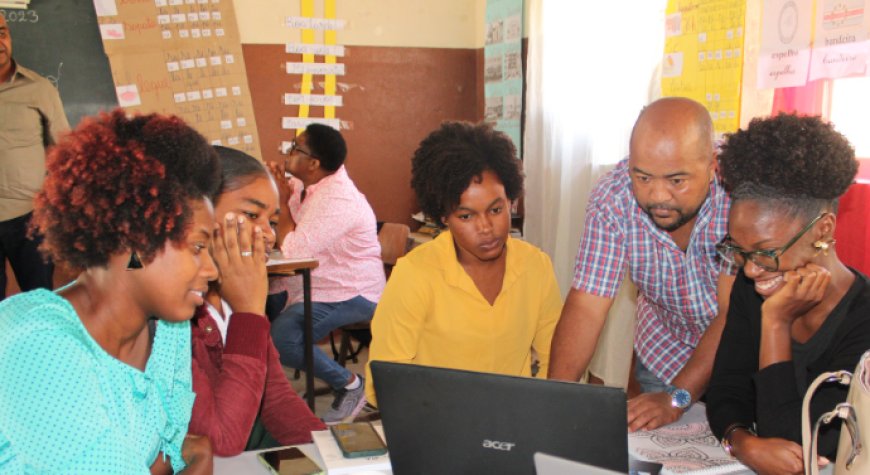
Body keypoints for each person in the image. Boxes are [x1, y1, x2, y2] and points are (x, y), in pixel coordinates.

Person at [0, 110, 216, 473]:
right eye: (198, 247)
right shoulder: (36, 346)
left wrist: (194, 454)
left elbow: (175, 449)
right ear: (135, 242)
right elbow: (180, 458)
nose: (212, 270)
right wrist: (191, 456)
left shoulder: (169, 328)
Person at [548, 97, 736, 431]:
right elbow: (587, 306)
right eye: (643, 177)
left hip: (738, 355)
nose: (658, 196)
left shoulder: (738, 194)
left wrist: (677, 398)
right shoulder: (613, 197)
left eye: (677, 181)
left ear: (712, 165)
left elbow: (731, 315)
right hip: (665, 353)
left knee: (738, 451)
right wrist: (556, 400)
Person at [707, 114, 869, 475]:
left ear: (823, 230)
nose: (750, 270)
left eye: (766, 252)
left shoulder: (863, 317)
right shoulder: (754, 288)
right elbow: (725, 391)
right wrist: (742, 442)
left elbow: (809, 441)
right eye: (739, 251)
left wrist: (776, 322)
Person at [364, 121, 562, 406]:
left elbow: (554, 360)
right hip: (437, 424)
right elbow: (386, 382)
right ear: (443, 216)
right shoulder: (416, 274)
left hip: (514, 422)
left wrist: (538, 412)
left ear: (511, 201)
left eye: (496, 209)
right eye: (466, 216)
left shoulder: (536, 267)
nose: (486, 227)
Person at [188, 146, 326, 456]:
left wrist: (333, 451)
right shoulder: (172, 313)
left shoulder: (233, 292)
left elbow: (274, 395)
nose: (268, 235)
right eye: (251, 215)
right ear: (197, 213)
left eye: (273, 222)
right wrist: (249, 311)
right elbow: (218, 443)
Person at [268, 124, 385, 423]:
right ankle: (265, 392)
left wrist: (281, 203)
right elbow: (284, 227)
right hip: (314, 283)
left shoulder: (337, 199)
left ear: (313, 164)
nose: (288, 152)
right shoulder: (305, 186)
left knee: (284, 338)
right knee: (254, 307)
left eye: (295, 148)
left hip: (351, 291)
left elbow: (293, 250)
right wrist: (277, 194)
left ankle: (349, 385)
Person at [0, 15, 69, 300]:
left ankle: (45, 343)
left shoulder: (39, 89)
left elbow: (64, 154)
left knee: (40, 297)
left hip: (30, 218)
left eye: (2, 32)